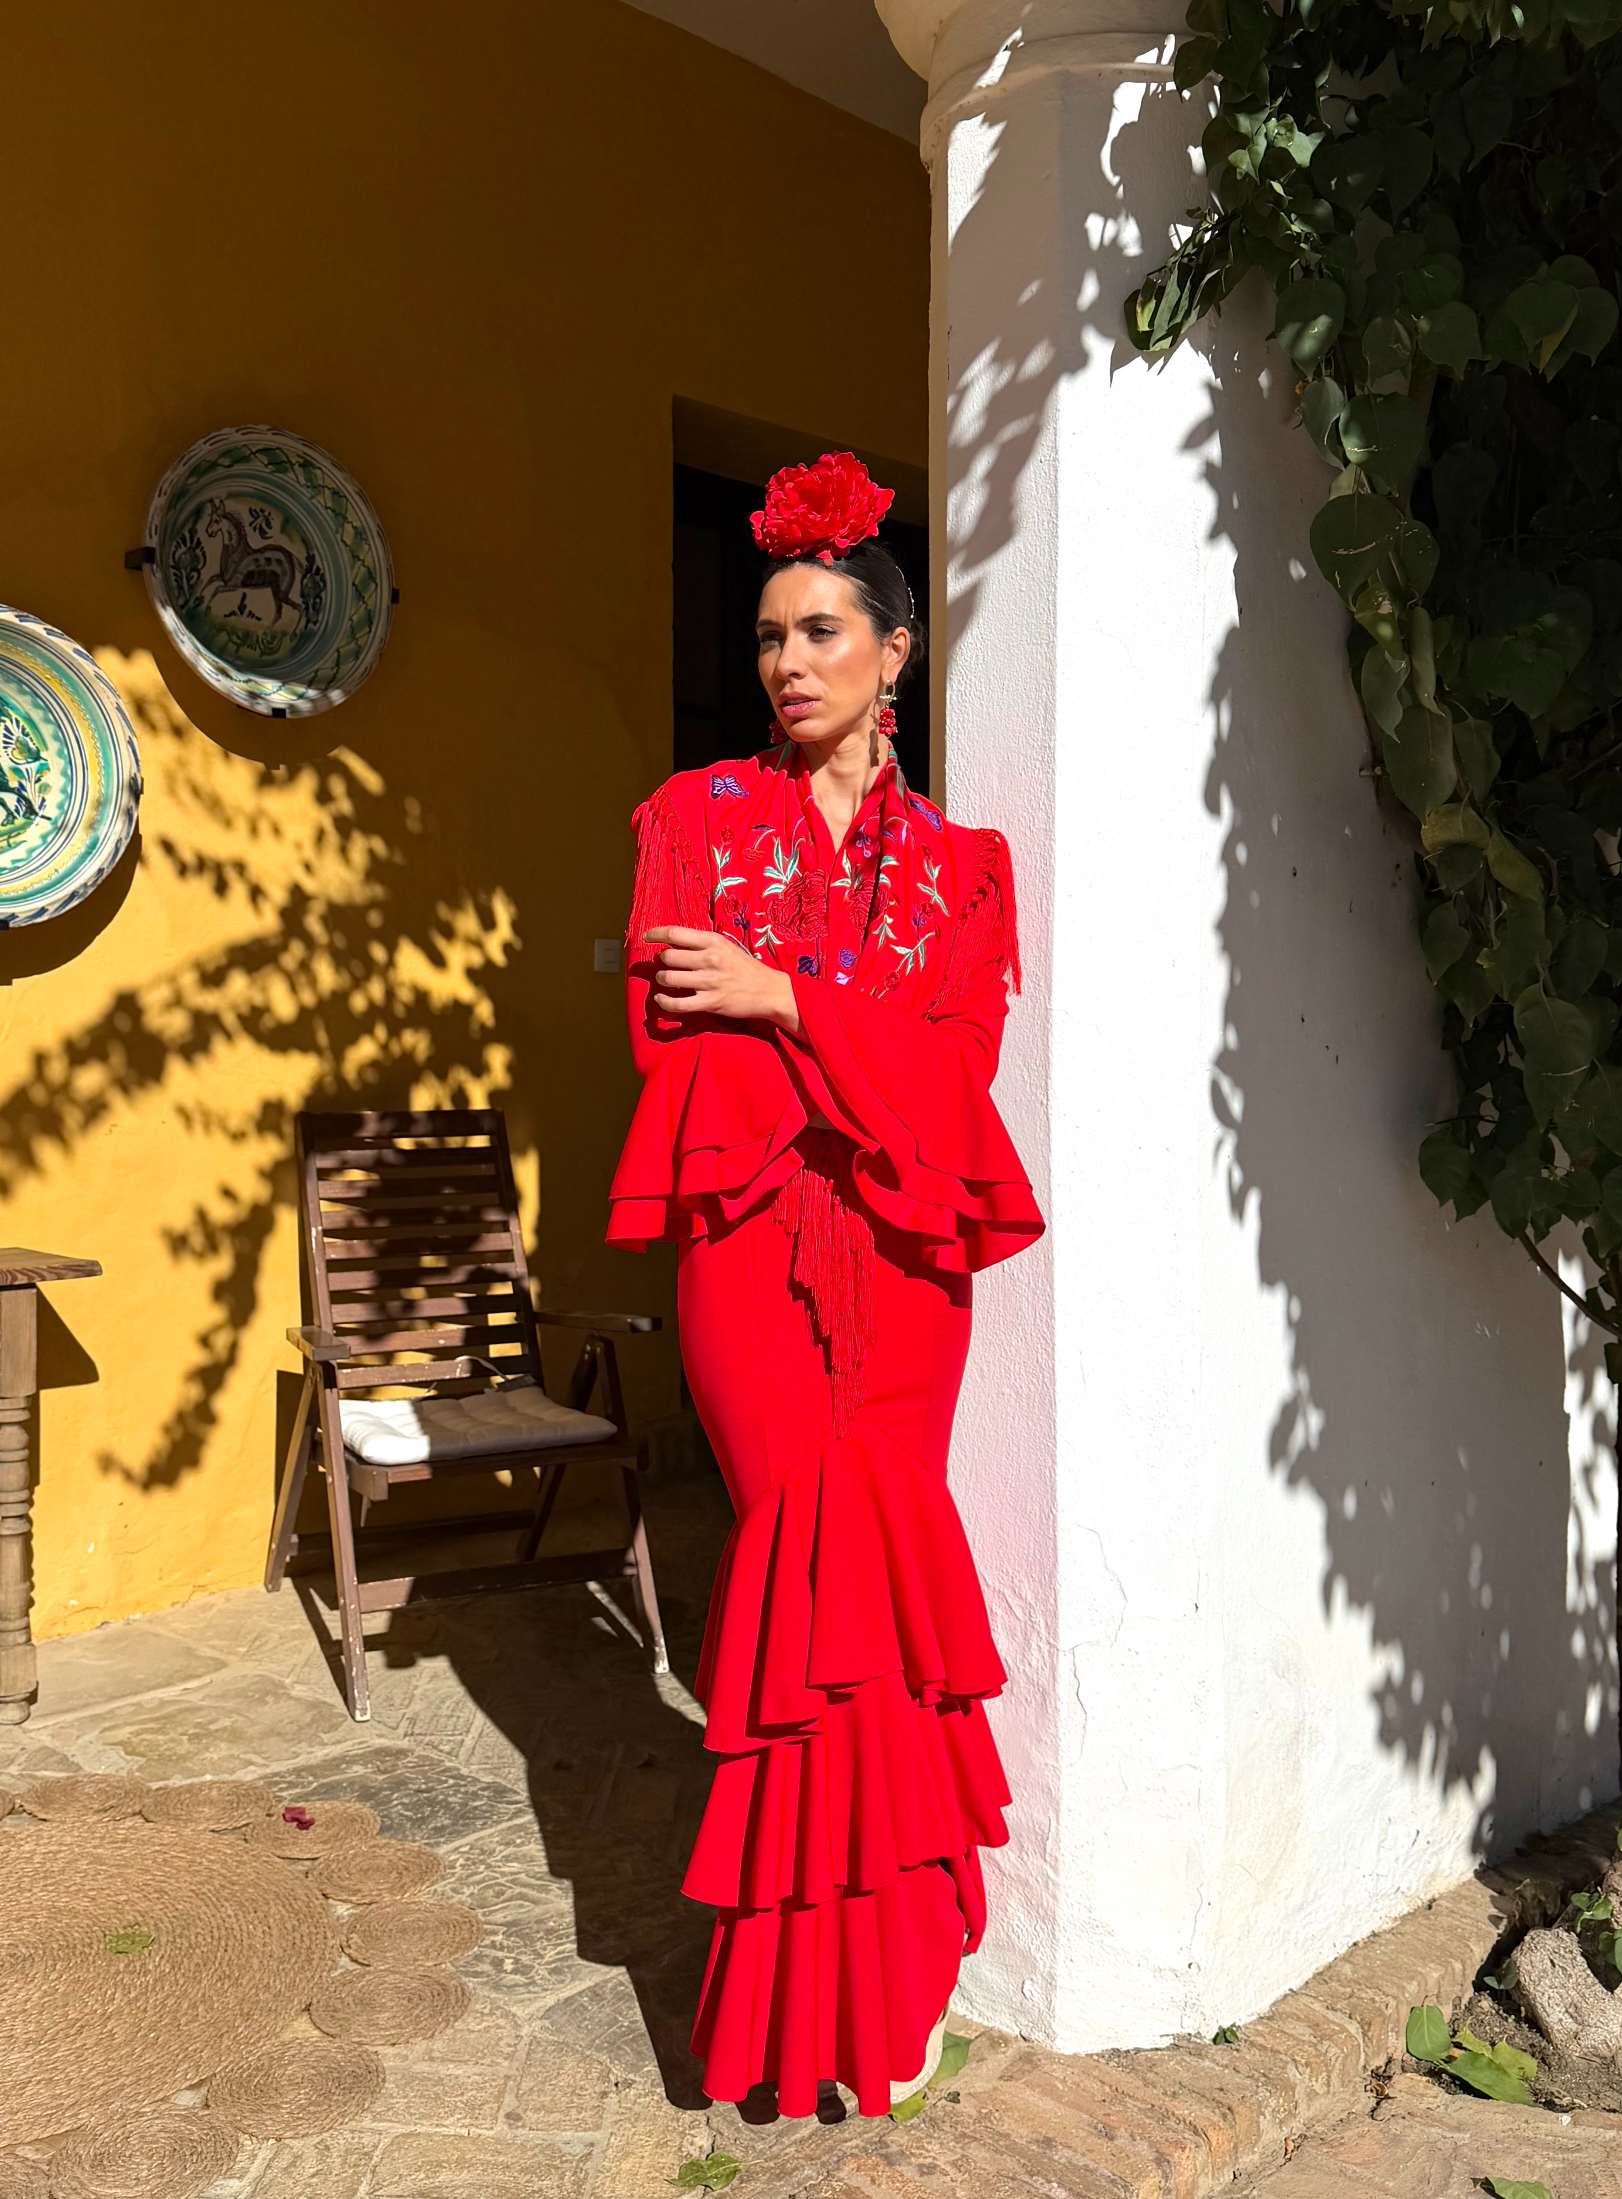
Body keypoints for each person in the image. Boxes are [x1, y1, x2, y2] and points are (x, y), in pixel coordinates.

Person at [607, 450, 1046, 2118]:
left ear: (894, 653)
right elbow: (668, 1044)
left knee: (883, 1579)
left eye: (820, 631)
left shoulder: (967, 868)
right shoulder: (688, 823)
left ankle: (902, 1956)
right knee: (798, 1572)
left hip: (906, 1264)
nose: (787, 661)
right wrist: (863, 1055)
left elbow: (962, 1082)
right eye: (770, 636)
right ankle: (810, 1999)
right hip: (747, 1253)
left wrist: (787, 1004)